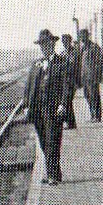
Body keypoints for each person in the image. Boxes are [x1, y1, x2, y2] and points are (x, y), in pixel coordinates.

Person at [23, 29, 66, 183]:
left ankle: (53, 175)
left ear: (53, 44)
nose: (44, 47)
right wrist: (27, 105)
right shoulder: (36, 64)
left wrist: (63, 103)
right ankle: (53, 172)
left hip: (54, 108)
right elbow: (28, 87)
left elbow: (67, 86)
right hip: (37, 109)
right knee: (43, 141)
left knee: (53, 140)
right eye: (42, 45)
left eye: (47, 44)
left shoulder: (61, 63)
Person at [77, 29, 102, 122]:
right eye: (81, 36)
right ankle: (92, 115)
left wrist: (98, 76)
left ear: (87, 36)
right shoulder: (82, 48)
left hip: (92, 76)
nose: (82, 38)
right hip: (84, 77)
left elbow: (99, 63)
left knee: (94, 96)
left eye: (83, 35)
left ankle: (97, 116)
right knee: (87, 96)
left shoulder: (94, 47)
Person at [58, 33, 78, 130]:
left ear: (70, 41)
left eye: (66, 41)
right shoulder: (62, 53)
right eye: (63, 42)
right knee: (66, 101)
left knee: (68, 100)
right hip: (64, 81)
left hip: (72, 80)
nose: (65, 43)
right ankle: (70, 122)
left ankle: (71, 123)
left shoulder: (75, 52)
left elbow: (78, 67)